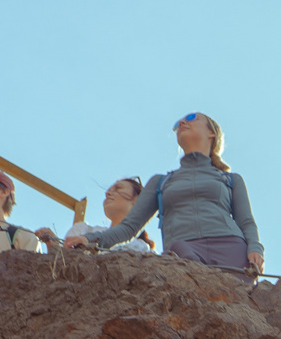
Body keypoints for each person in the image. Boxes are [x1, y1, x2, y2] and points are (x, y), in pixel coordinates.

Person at [84, 113, 262, 273]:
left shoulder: (231, 179)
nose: (182, 122)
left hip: (231, 250)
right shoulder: (160, 182)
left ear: (211, 133)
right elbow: (129, 227)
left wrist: (255, 248)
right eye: (178, 123)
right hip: (182, 251)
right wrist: (89, 239)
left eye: (191, 118)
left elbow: (245, 221)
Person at [37, 177, 154, 254]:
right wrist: (54, 246)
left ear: (138, 200)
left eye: (118, 188)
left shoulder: (142, 249)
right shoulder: (82, 230)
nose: (108, 193)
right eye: (109, 190)